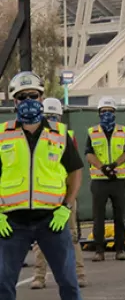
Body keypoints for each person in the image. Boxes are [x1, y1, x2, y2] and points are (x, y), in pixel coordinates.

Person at [0, 72, 87, 300]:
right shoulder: (2, 135)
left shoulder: (60, 135)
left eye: (33, 96)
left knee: (68, 281)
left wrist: (66, 206)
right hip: (12, 223)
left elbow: (75, 172)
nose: (28, 102)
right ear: (14, 101)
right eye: (22, 97)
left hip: (52, 220)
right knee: (3, 282)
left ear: (42, 97)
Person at [31, 97, 87, 289]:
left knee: (71, 235)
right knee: (40, 237)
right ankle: (39, 275)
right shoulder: (35, 136)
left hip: (64, 194)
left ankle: (79, 273)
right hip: (43, 196)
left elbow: (74, 169)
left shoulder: (66, 135)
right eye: (49, 116)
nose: (52, 119)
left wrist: (70, 197)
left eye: (55, 116)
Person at [85, 96, 125, 262]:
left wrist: (114, 165)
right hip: (99, 181)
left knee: (120, 217)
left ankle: (120, 249)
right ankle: (99, 250)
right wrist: (102, 168)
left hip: (118, 179)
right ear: (98, 113)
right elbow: (89, 154)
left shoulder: (124, 131)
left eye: (110, 111)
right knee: (98, 217)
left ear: (115, 113)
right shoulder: (92, 132)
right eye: (103, 112)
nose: (106, 114)